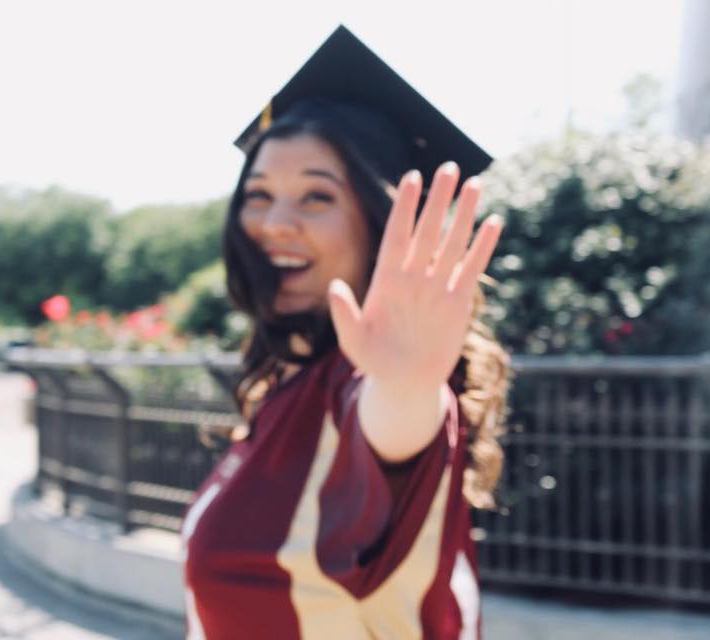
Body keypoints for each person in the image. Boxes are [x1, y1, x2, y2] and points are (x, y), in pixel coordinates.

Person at [182, 26, 509, 639]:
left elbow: (393, 424)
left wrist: (408, 386)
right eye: (259, 194)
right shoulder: (283, 387)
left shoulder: (359, 394)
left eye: (317, 197)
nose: (275, 222)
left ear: (380, 221)